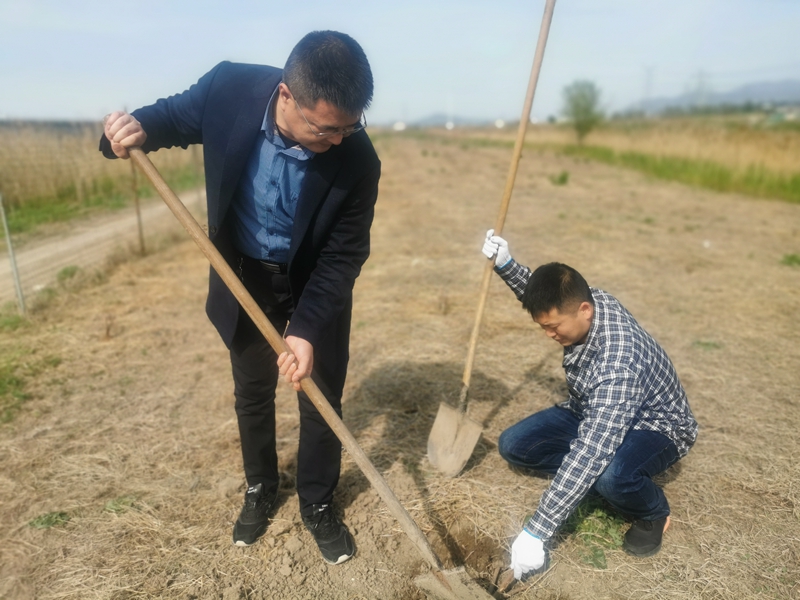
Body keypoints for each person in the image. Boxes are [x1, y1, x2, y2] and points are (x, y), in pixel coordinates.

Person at [99, 31, 380, 566]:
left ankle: (318, 502)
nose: (339, 139)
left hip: (315, 287)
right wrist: (130, 129)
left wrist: (306, 330)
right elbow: (166, 120)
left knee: (321, 398)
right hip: (244, 279)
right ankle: (260, 486)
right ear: (286, 95)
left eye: (350, 126)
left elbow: (343, 256)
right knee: (252, 391)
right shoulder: (228, 88)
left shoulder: (358, 159)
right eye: (326, 129)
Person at [481, 230, 698, 580]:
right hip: (591, 408)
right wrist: (507, 265)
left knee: (613, 476)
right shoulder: (588, 302)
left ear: (585, 310)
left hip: (656, 426)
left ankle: (653, 511)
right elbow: (552, 298)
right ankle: (584, 478)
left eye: (553, 327)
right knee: (515, 445)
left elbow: (594, 445)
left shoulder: (618, 363)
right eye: (543, 326)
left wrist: (537, 531)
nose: (549, 334)